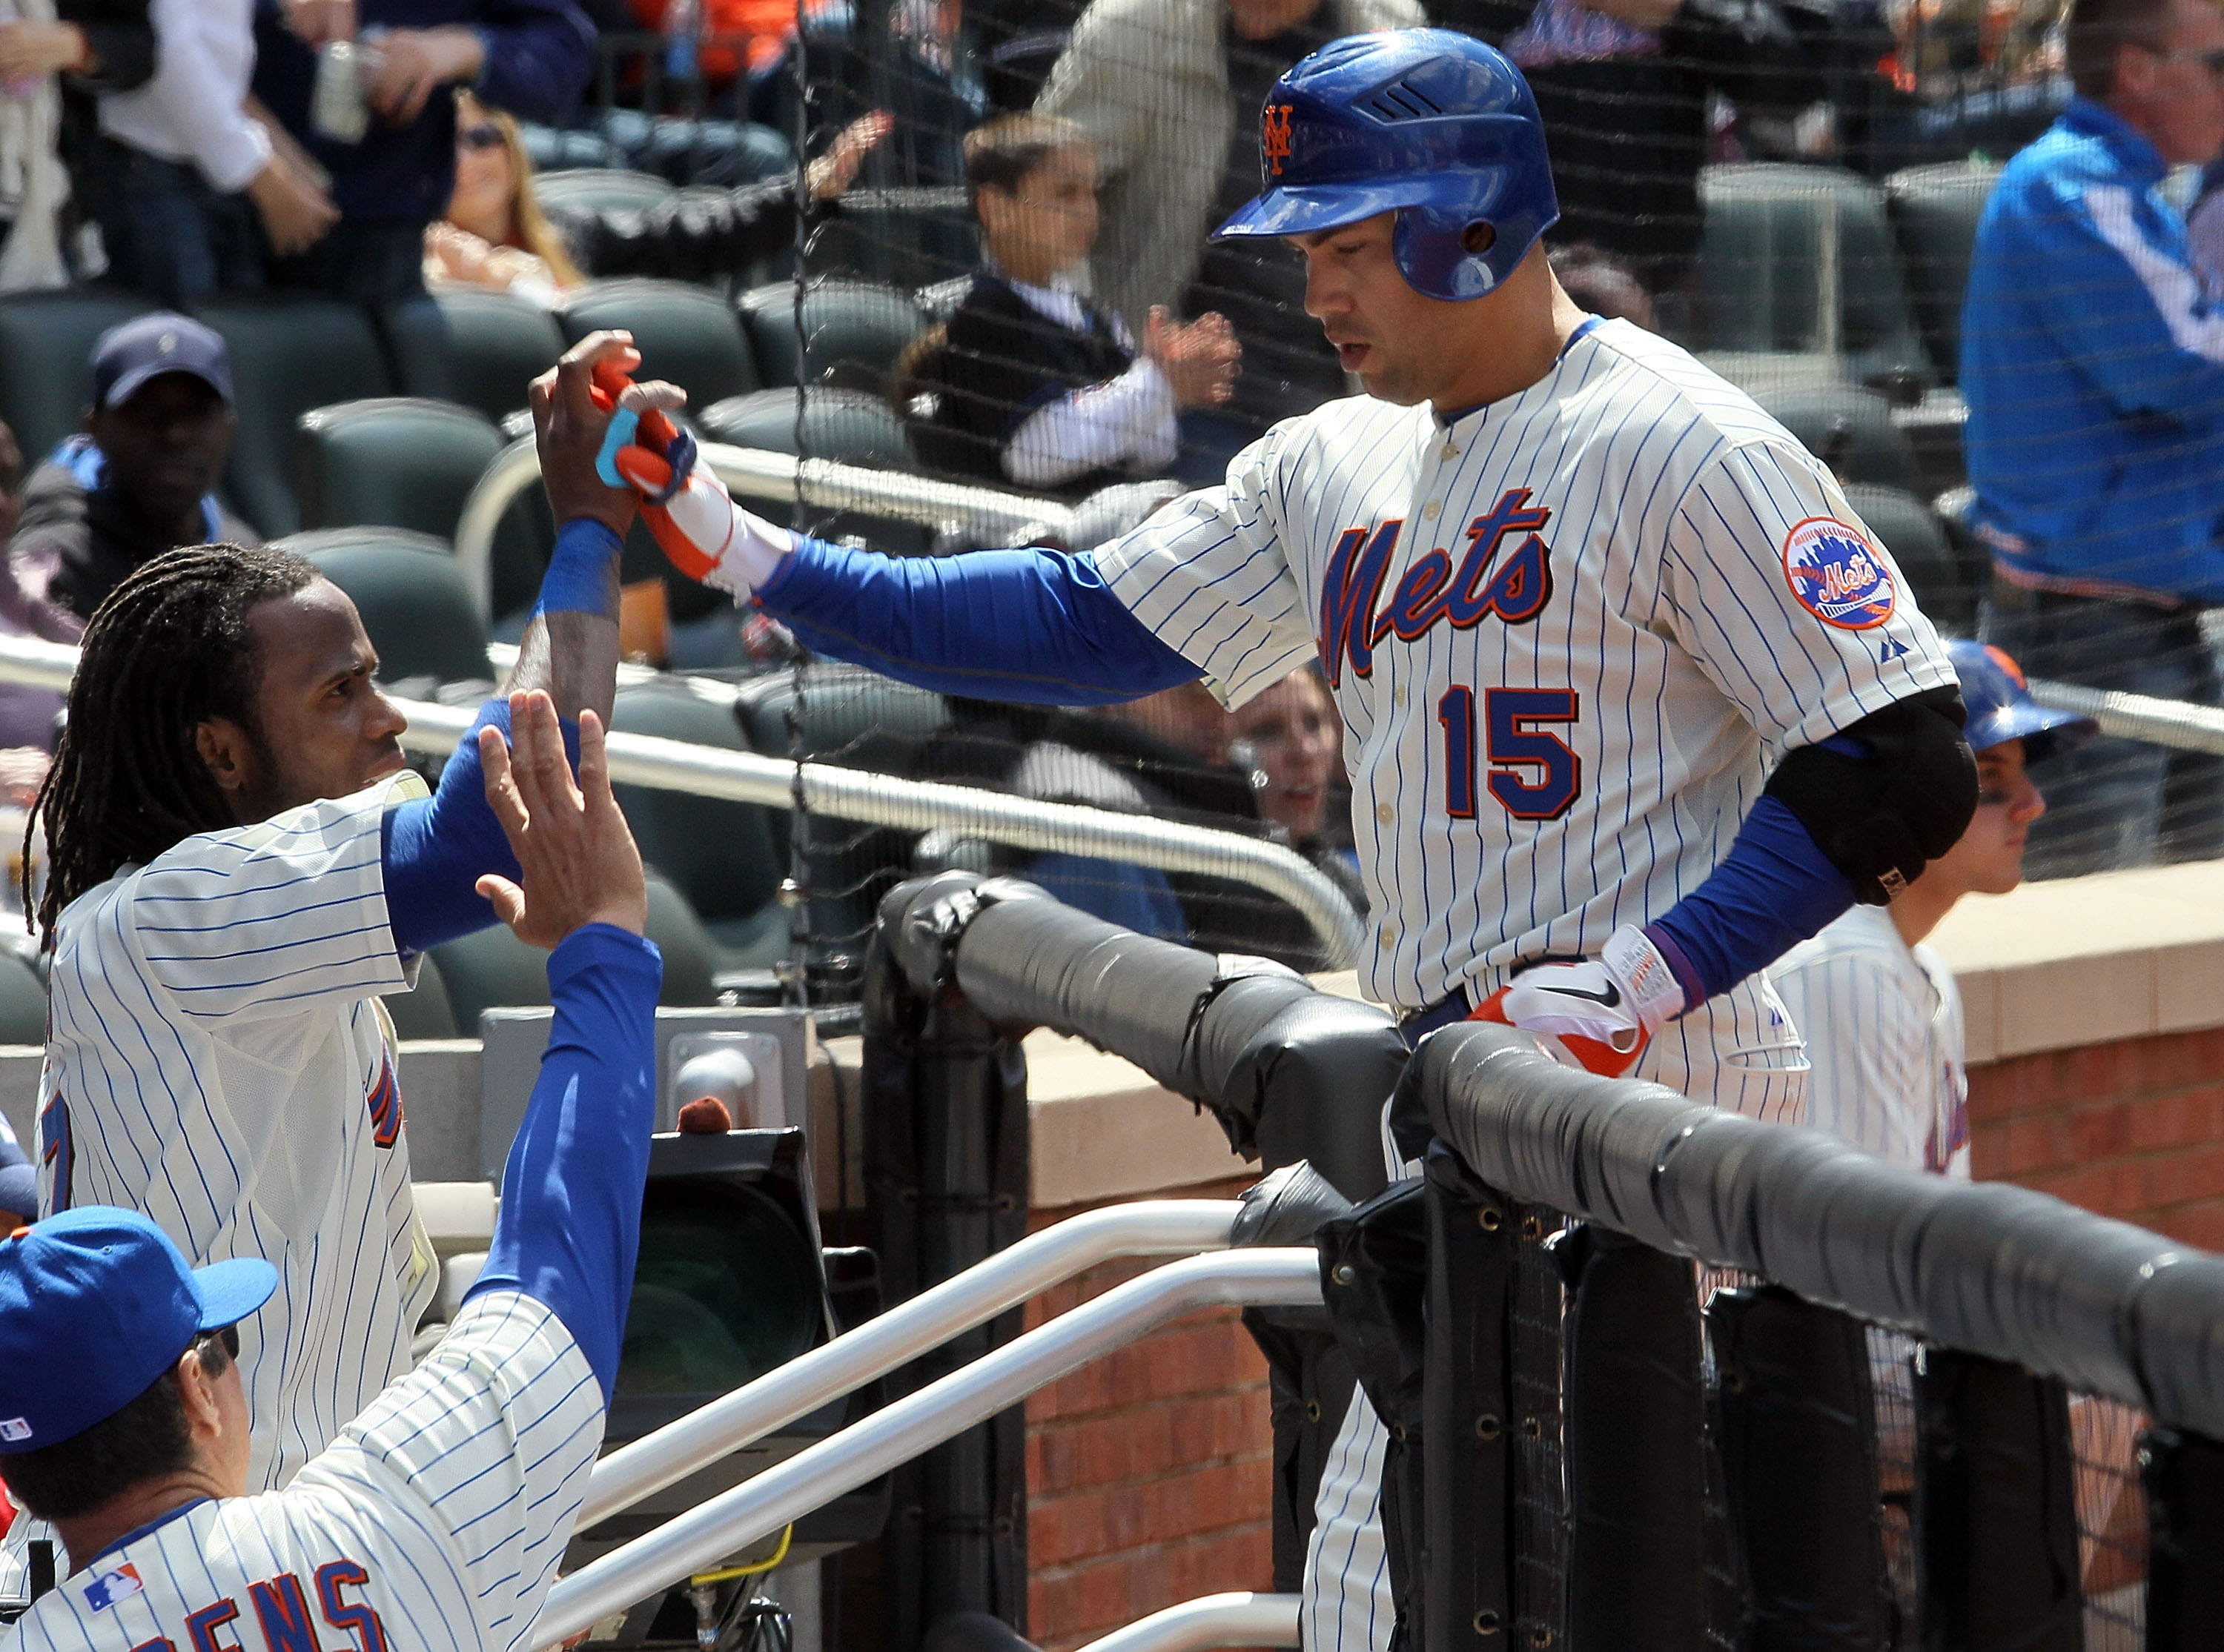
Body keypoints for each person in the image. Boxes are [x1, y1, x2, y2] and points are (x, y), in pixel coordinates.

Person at [595, 30, 1975, 1647]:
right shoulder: (1339, 460)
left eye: (1347, 240)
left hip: (1666, 1127)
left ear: (1470, 218)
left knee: (1630, 1598)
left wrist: (1647, 975)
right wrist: (747, 550)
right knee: (1381, 1593)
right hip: (1459, 1114)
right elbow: (1079, 619)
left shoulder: (1686, 442)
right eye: (1304, 243)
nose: (1317, 285)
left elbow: (1902, 755)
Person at [0, 328, 652, 1596]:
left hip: (289, 1563)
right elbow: (501, 800)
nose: (388, 715)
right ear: (222, 754)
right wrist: (583, 527)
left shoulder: (259, 930)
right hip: (186, 1579)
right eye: (341, 690)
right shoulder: (171, 918)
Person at [0, 686, 662, 1650]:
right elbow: (556, 1271)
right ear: (196, 1388)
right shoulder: (384, 1527)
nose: (383, 713)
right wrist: (604, 951)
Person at [1962, 0, 2224, 876]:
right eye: (2219, 63)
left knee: (2192, 930)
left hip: (2156, 623)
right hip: (2088, 635)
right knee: (2082, 915)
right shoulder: (2072, 188)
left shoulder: (2136, 192)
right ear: (2139, 70)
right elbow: (2180, 365)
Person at [1035, 0, 1423, 477]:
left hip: (1351, 409)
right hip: (1176, 416)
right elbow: (1033, 208)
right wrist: (1104, 374)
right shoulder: (1131, 30)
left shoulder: (1394, 37)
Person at [1771, 638, 2094, 1175]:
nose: (2033, 804)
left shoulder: (1911, 966)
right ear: (1895, 790)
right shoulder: (1845, 969)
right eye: (1990, 775)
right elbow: (1859, 1242)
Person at [900, 113, 1240, 498]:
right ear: (996, 208)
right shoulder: (985, 316)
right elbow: (1034, 455)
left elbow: (1152, 454)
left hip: (1102, 524)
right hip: (1021, 537)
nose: (1087, 210)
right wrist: (1156, 387)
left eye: (1091, 192)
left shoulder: (1094, 318)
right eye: (1065, 194)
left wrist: (1171, 381)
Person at [0, 314, 257, 750]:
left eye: (195, 412)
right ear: (95, 427)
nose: (174, 434)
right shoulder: (51, 566)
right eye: (144, 411)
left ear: (228, 428)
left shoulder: (245, 554)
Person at [251, 0, 598, 306]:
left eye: (481, 139)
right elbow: (198, 57)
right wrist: (259, 162)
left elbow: (562, 51)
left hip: (380, 241)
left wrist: (452, 50)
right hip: (227, 222)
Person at [427, 90, 891, 296]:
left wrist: (808, 188)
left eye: (482, 138)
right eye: (443, 148)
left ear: (510, 146)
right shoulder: (418, 262)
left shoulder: (567, 232)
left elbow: (697, 235)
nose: (467, 160)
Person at [89, 0, 337, 305]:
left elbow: (220, 53)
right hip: (153, 174)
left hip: (213, 174)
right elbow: (167, 55)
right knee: (181, 345)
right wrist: (262, 178)